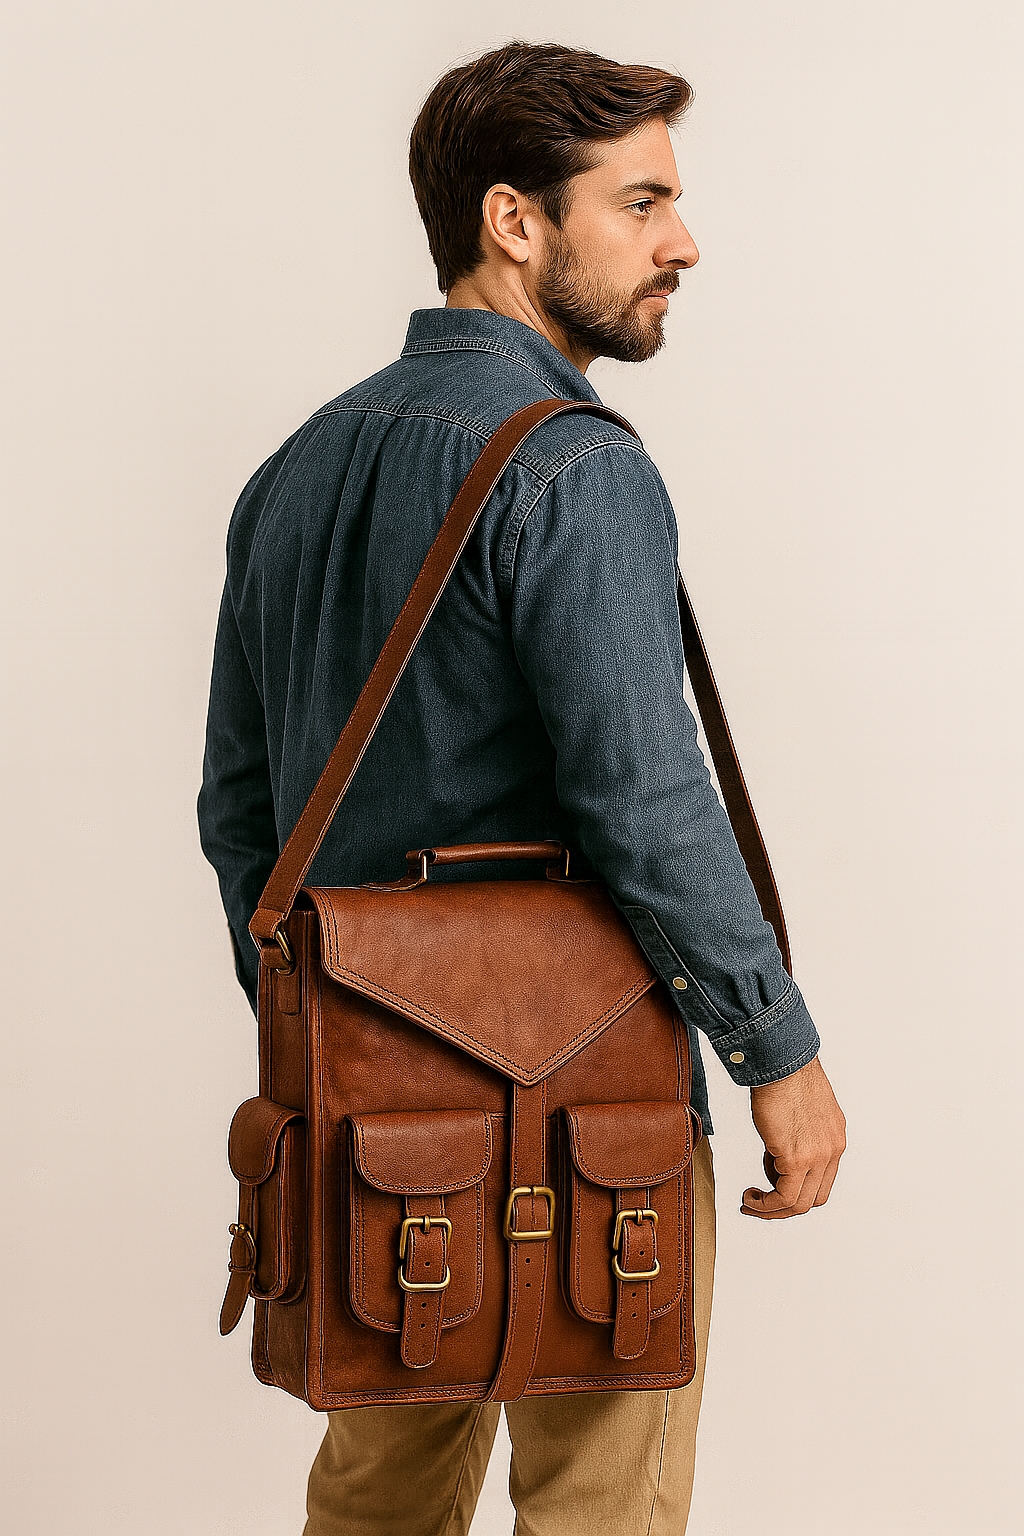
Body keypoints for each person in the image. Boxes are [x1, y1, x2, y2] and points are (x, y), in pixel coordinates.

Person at [197, 39, 846, 1536]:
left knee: (377, 1504)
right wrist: (778, 1051)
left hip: (374, 1133)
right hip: (596, 1122)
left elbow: (241, 813)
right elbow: (645, 800)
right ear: (515, 221)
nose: (683, 240)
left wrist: (339, 1029)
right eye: (642, 202)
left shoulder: (296, 469)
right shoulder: (576, 469)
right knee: (603, 1507)